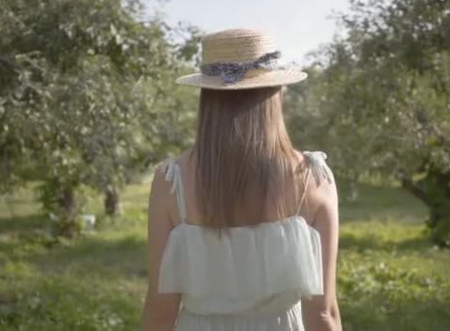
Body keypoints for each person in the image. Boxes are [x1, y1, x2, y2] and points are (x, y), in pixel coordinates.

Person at [141, 28, 341, 331]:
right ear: (274, 93)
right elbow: (323, 314)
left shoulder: (171, 181)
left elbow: (159, 312)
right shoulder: (313, 178)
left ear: (207, 96)